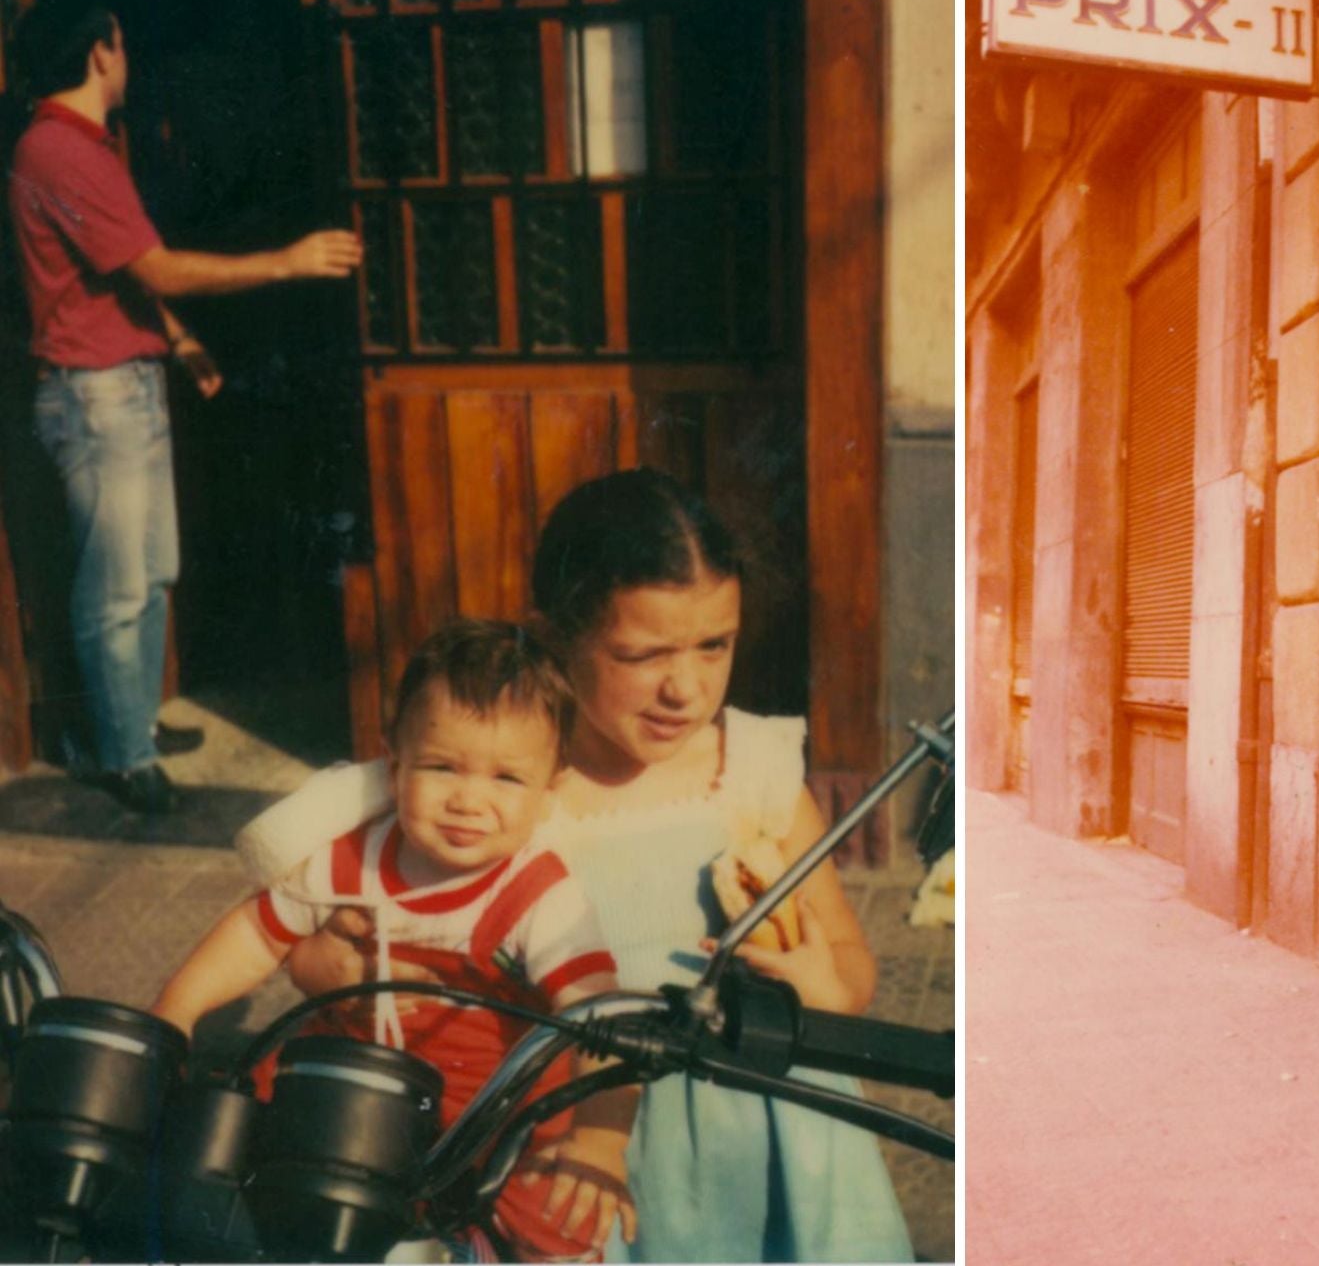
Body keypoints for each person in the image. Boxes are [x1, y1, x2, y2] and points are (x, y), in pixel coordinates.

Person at [234, 468, 915, 1263]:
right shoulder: (501, 798)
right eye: (642, 654)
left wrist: (827, 988)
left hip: (774, 1146)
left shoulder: (754, 775)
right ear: (555, 637)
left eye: (714, 645)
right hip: (584, 1156)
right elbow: (337, 938)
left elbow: (850, 964)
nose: (686, 687)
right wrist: (331, 964)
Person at [152, 619, 637, 1261]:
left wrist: (601, 1138)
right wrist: (175, 1015)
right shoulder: (353, 857)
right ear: (394, 762)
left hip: (495, 1099)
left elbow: (600, 1016)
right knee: (246, 1145)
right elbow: (256, 933)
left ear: (551, 788)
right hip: (357, 1071)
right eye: (441, 767)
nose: (468, 800)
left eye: (507, 779)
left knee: (559, 1213)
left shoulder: (538, 895)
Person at [5, 0, 362, 814]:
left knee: (150, 571)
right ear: (100, 53)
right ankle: (124, 755)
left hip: (123, 386)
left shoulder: (77, 146)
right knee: (116, 588)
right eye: (122, 45)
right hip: (97, 397)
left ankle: (132, 725)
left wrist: (177, 339)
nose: (127, 60)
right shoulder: (61, 151)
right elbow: (157, 268)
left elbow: (117, 272)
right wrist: (288, 261)